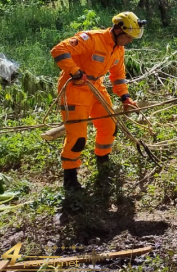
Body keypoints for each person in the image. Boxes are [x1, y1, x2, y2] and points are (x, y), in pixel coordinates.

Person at [50, 12, 146, 192]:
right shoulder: (92, 39)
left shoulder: (118, 49)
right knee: (78, 137)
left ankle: (103, 162)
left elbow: (118, 76)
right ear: (118, 30)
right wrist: (75, 71)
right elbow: (59, 50)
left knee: (109, 127)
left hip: (96, 88)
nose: (130, 41)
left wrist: (125, 97)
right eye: (128, 36)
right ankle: (70, 178)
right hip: (74, 90)